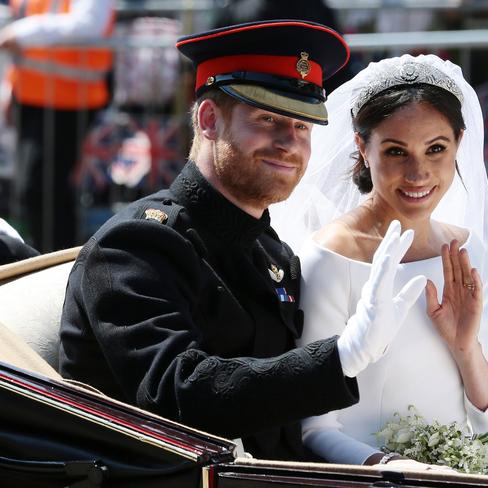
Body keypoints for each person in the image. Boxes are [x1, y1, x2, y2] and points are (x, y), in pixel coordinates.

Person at [58, 20, 428, 462]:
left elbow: (286, 425)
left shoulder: (271, 252)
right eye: (268, 119)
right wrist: (342, 357)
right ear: (210, 120)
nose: (289, 143)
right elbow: (179, 398)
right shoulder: (135, 246)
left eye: (303, 126)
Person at [271, 54, 488, 469]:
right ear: (362, 147)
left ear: (459, 144)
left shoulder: (466, 250)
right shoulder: (330, 257)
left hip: (470, 472)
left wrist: (466, 350)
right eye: (396, 151)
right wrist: (397, 471)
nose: (418, 173)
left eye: (436, 149)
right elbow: (314, 428)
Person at [0, 0, 114, 252]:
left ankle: (59, 266)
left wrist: (22, 32)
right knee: (34, 192)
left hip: (68, 102)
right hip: (31, 99)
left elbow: (87, 24)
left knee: (46, 192)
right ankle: (49, 262)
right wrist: (11, 87)